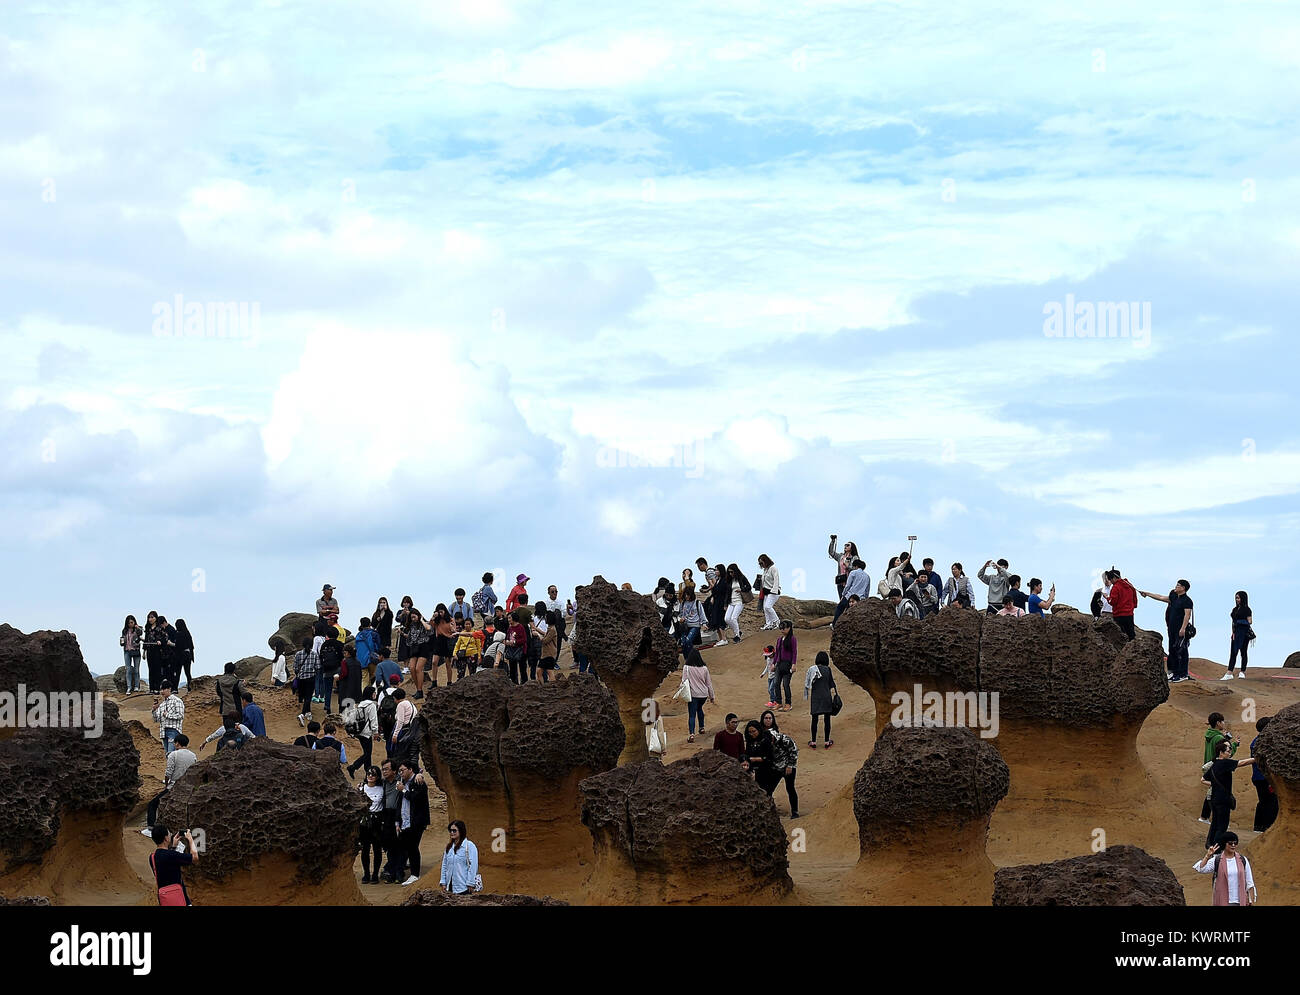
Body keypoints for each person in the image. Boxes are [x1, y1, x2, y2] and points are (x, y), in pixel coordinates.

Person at [1202, 738, 1256, 849]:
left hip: (1214, 799)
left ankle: (1210, 844)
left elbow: (1203, 779)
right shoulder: (1224, 763)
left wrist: (1215, 785)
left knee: (1215, 823)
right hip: (1223, 800)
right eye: (1228, 750)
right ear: (1221, 752)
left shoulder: (1214, 764)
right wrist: (1257, 758)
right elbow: (1242, 762)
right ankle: (1216, 848)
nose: (1230, 752)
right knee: (1222, 825)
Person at [1139, 580, 1194, 682]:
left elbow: (1187, 615)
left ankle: (1183, 674)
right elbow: (1160, 597)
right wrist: (1147, 594)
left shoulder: (1187, 600)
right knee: (1172, 649)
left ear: (1183, 588)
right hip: (1171, 628)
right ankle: (1173, 673)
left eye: (1178, 585)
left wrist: (1183, 628)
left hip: (1181, 629)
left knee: (1181, 650)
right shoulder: (1173, 597)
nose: (1176, 586)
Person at [144, 734, 196, 833]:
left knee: (152, 804)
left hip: (174, 787)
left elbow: (168, 772)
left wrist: (167, 784)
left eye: (175, 743)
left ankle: (150, 827)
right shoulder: (193, 755)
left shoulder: (173, 755)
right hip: (188, 786)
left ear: (177, 743)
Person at [394, 759, 430, 885]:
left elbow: (415, 799)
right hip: (405, 822)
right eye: (399, 771)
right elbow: (399, 804)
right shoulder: (402, 782)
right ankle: (400, 873)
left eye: (402, 770)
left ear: (410, 769)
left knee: (413, 847)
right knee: (404, 848)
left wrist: (403, 790)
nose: (401, 773)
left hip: (416, 822)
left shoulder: (418, 781)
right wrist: (397, 822)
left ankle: (415, 874)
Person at [1193, 833, 1256, 906]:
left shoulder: (1242, 860)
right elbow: (1201, 869)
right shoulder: (1217, 860)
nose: (1233, 845)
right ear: (1224, 844)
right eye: (1230, 843)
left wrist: (1250, 900)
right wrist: (1207, 856)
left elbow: (1249, 881)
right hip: (1222, 901)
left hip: (1240, 901)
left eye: (1235, 843)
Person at [760, 710, 799, 818]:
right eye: (766, 718)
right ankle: (768, 811)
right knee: (769, 789)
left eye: (770, 718)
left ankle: (795, 812)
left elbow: (794, 750)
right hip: (775, 767)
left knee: (790, 788)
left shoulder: (783, 739)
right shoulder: (763, 739)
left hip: (787, 767)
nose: (768, 720)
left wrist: (790, 765)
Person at [1200, 712, 1238, 821]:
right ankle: (1206, 817)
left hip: (1209, 764)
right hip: (1218, 766)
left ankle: (1205, 817)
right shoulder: (1218, 737)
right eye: (1222, 721)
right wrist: (1234, 744)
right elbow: (1227, 752)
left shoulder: (1209, 734)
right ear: (1218, 723)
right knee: (1217, 793)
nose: (1224, 723)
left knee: (1212, 791)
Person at [149, 825, 199, 906]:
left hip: (165, 899)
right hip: (179, 897)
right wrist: (190, 839)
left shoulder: (152, 857)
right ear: (166, 838)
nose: (171, 835)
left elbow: (166, 861)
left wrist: (174, 846)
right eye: (169, 834)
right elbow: (195, 857)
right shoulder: (172, 855)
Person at [357, 766, 386, 883]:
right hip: (364, 821)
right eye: (368, 774)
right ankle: (366, 874)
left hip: (377, 821)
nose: (370, 776)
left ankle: (375, 874)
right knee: (365, 848)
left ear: (377, 777)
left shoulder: (381, 788)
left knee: (377, 848)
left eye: (373, 774)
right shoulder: (361, 788)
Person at [681, 648, 716, 743]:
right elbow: (709, 683)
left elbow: (683, 681)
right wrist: (712, 696)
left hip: (692, 694)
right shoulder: (704, 668)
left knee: (692, 714)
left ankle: (691, 734)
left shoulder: (687, 668)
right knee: (699, 709)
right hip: (703, 694)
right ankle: (701, 727)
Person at [804, 650, 837, 749]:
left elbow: (808, 684)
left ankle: (813, 742)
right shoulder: (828, 669)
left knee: (814, 720)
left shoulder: (812, 669)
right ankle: (827, 742)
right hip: (826, 697)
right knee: (827, 719)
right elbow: (832, 684)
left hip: (815, 698)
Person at [1250, 717, 1278, 832]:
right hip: (1264, 777)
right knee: (1270, 802)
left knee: (1264, 801)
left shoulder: (1256, 740)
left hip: (1259, 777)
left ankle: (1259, 826)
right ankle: (1267, 826)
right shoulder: (1263, 741)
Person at [346, 685, 380, 779]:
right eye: (374, 693)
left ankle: (367, 772)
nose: (375, 694)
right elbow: (373, 719)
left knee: (367, 753)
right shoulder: (371, 705)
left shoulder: (361, 704)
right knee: (367, 754)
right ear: (371, 694)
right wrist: (375, 732)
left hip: (359, 732)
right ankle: (353, 767)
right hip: (367, 732)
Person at [378, 759, 402, 883]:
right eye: (383, 769)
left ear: (394, 770)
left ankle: (397, 872)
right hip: (386, 815)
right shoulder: (383, 783)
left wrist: (419, 774)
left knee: (398, 844)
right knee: (389, 844)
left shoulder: (401, 780)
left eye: (386, 769)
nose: (384, 771)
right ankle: (392, 871)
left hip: (398, 815)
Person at [440, 820, 480, 895]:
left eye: (454, 830)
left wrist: (470, 883)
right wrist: (443, 882)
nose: (452, 832)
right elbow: (444, 865)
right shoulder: (449, 847)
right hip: (450, 887)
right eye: (450, 830)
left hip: (464, 887)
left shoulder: (469, 846)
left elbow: (473, 866)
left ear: (461, 831)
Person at [402, 608, 432, 699]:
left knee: (418, 668)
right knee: (411, 668)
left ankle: (420, 691)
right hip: (414, 648)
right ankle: (418, 689)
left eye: (414, 617)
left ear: (418, 616)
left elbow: (429, 629)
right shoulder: (412, 626)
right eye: (411, 617)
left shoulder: (423, 623)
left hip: (423, 647)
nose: (413, 619)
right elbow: (410, 638)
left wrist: (422, 620)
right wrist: (402, 634)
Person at [833, 559, 872, 626]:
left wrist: (843, 595)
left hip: (850, 596)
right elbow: (867, 590)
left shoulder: (853, 573)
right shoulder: (867, 577)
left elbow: (848, 585)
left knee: (840, 608)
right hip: (860, 598)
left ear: (856, 566)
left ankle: (835, 625)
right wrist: (865, 600)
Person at [152, 682, 185, 754]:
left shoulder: (177, 701)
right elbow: (156, 719)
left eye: (164, 689)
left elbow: (180, 715)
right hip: (163, 732)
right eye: (161, 689)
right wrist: (154, 710)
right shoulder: (162, 704)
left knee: (171, 754)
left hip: (173, 730)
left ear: (169, 689)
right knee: (168, 755)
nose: (162, 691)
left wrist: (168, 715)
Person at [1226, 591, 1253, 679]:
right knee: (1233, 652)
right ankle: (1229, 673)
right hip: (1236, 633)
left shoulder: (1247, 609)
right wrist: (1233, 632)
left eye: (1238, 598)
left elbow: (1250, 621)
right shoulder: (1235, 609)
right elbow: (1233, 622)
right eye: (1236, 598)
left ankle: (1242, 671)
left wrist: (1240, 622)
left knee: (1243, 652)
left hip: (1244, 633)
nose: (1237, 599)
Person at [772, 620, 798, 711]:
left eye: (784, 628)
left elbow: (794, 652)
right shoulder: (779, 639)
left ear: (789, 628)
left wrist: (793, 664)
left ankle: (788, 703)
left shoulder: (792, 639)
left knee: (786, 684)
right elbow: (777, 652)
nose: (782, 630)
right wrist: (773, 664)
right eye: (781, 628)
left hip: (788, 664)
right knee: (776, 683)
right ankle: (778, 702)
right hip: (779, 664)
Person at [293, 636, 318, 726]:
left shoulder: (298, 654)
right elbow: (318, 666)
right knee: (308, 696)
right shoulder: (314, 654)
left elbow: (295, 667)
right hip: (311, 678)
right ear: (311, 645)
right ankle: (303, 714)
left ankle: (308, 712)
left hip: (301, 678)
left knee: (303, 696)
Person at [1107, 569, 1138, 639]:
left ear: (1114, 578)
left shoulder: (1115, 587)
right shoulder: (1129, 585)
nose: (1111, 582)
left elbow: (1113, 601)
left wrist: (1107, 598)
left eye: (1111, 579)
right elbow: (1134, 598)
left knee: (1120, 636)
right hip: (1129, 614)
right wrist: (1133, 606)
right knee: (1131, 634)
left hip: (1119, 615)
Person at [741, 718, 773, 784]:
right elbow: (747, 754)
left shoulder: (766, 741)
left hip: (765, 770)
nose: (752, 734)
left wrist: (755, 759)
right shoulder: (749, 742)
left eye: (754, 731)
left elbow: (770, 757)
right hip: (752, 770)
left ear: (758, 730)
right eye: (750, 732)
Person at [677, 584, 707, 653]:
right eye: (685, 595)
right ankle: (688, 660)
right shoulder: (683, 603)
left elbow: (701, 613)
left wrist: (704, 623)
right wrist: (680, 619)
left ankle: (692, 659)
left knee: (688, 640)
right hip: (685, 626)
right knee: (683, 643)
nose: (686, 596)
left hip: (695, 625)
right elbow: (680, 614)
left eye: (688, 594)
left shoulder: (697, 603)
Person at [828, 535, 859, 600]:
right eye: (845, 545)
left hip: (850, 581)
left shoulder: (854, 557)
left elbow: (857, 569)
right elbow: (831, 552)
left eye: (848, 545)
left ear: (852, 547)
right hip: (841, 580)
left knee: (850, 599)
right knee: (842, 599)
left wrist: (848, 567)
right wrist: (833, 541)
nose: (845, 546)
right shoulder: (841, 556)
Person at [335, 645, 364, 715]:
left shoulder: (345, 662)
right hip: (355, 691)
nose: (344, 655)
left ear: (348, 653)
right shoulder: (358, 662)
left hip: (346, 690)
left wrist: (338, 678)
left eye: (344, 653)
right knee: (351, 711)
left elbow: (344, 673)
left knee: (343, 711)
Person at [120, 615, 144, 693]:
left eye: (131, 622)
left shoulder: (137, 629)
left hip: (136, 650)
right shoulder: (124, 630)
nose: (130, 624)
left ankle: (137, 686)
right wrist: (122, 642)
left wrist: (137, 627)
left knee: (136, 670)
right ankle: (129, 687)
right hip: (127, 651)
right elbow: (122, 639)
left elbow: (141, 633)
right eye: (129, 623)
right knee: (128, 669)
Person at [757, 554, 781, 630]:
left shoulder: (773, 568)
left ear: (766, 561)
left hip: (773, 591)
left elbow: (776, 579)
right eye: (760, 563)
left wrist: (774, 591)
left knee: (768, 606)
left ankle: (777, 621)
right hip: (766, 592)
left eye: (762, 563)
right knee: (765, 608)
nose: (761, 565)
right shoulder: (765, 570)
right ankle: (769, 623)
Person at [354, 617, 381, 686]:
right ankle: (373, 694)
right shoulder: (374, 634)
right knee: (374, 678)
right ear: (370, 623)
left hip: (361, 660)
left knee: (364, 679)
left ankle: (364, 695)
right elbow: (378, 646)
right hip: (372, 659)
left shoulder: (358, 635)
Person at [505, 612, 529, 684]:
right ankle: (514, 683)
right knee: (512, 669)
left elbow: (524, 639)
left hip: (520, 650)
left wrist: (515, 642)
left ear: (514, 618)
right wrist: (507, 641)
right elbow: (507, 637)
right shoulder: (510, 628)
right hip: (512, 650)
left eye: (510, 618)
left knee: (522, 668)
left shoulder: (520, 627)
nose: (508, 619)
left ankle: (524, 683)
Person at [537, 610, 560, 683]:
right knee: (540, 671)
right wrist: (537, 630)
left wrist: (538, 635)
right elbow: (546, 635)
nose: (545, 619)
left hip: (549, 654)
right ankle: (544, 686)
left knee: (549, 671)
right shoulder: (550, 628)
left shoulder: (552, 629)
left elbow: (545, 640)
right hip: (547, 654)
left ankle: (552, 687)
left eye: (546, 617)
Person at [172, 619, 195, 689]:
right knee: (188, 673)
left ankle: (175, 688)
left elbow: (178, 646)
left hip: (179, 656)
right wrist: (192, 657)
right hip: (188, 655)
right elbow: (192, 646)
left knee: (177, 673)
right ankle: (190, 687)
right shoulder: (187, 633)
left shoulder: (178, 634)